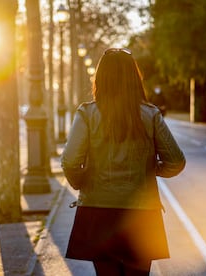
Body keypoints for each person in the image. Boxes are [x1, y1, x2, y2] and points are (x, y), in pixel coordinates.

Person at [61, 48, 186, 276]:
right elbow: (176, 161)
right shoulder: (151, 114)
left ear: (100, 78)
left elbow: (70, 161)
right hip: (141, 216)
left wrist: (82, 182)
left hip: (98, 213)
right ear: (134, 78)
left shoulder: (87, 114)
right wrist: (151, 169)